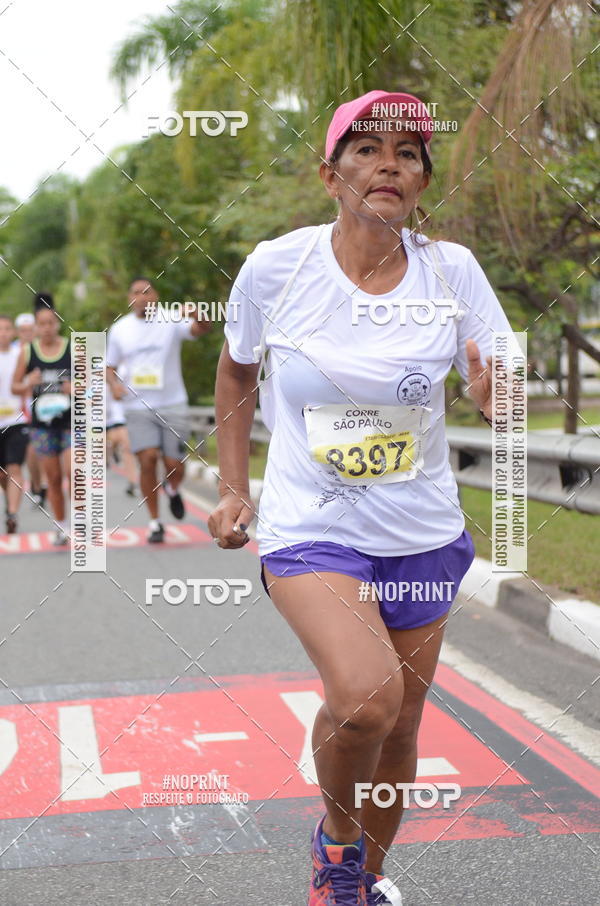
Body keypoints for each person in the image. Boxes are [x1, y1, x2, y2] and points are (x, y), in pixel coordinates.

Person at [208, 89, 514, 905]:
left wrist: (499, 398)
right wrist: (235, 489)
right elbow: (236, 371)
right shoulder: (278, 266)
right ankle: (337, 849)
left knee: (402, 722)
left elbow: (505, 382)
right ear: (330, 174)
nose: (389, 164)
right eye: (368, 149)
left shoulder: (452, 271)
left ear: (421, 183)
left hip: (421, 531)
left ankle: (361, 884)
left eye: (408, 153)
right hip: (312, 525)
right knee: (367, 699)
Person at [106, 277, 211, 543]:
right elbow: (109, 366)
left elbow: (202, 329)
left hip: (172, 403)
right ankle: (155, 522)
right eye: (136, 293)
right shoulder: (120, 329)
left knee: (174, 464)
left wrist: (197, 313)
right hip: (136, 406)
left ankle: (172, 489)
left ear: (156, 296)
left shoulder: (171, 319)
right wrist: (114, 386)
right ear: (129, 298)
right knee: (148, 459)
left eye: (146, 292)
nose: (142, 298)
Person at [12, 294, 71, 546]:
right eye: (42, 324)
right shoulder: (27, 353)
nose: (47, 328)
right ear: (36, 327)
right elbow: (14, 387)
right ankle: (62, 525)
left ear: (57, 323)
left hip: (70, 422)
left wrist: (77, 388)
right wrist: (29, 382)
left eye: (51, 323)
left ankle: (80, 520)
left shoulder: (73, 348)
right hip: (42, 426)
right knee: (54, 478)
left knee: (74, 472)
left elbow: (93, 386)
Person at [13, 312, 46, 507]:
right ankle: (37, 485)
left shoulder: (42, 349)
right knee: (30, 451)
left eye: (30, 330)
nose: (27, 334)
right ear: (18, 332)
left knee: (36, 448)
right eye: (23, 330)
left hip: (42, 406)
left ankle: (40, 486)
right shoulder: (13, 352)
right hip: (17, 409)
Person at [0, 316, 28, 533]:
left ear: (14, 332)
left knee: (15, 467)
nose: (3, 333)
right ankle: (8, 500)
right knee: (2, 474)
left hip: (18, 420)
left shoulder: (22, 355)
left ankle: (12, 513)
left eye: (7, 329)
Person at [106, 386, 138, 496]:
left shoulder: (126, 383)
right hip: (106, 424)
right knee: (108, 445)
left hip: (123, 421)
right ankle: (110, 454)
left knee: (127, 450)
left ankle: (132, 482)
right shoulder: (100, 386)